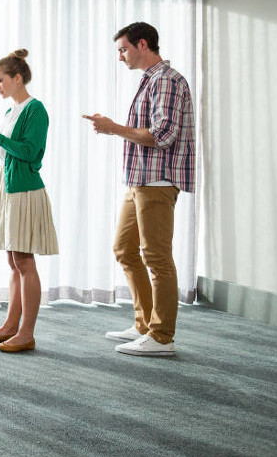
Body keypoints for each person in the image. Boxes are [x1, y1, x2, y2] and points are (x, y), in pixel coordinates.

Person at [83, 22, 195, 357]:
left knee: (157, 257)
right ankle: (144, 323)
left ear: (142, 44)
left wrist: (113, 128)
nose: (120, 57)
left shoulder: (168, 81)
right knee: (124, 249)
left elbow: (162, 135)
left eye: (123, 49)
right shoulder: (151, 81)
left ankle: (162, 336)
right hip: (139, 180)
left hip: (158, 181)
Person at [0, 49, 59, 353]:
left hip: (24, 191)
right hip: (7, 189)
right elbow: (5, 155)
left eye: (0, 80)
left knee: (24, 261)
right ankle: (9, 326)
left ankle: (26, 333)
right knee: (13, 261)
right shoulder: (10, 112)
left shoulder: (36, 110)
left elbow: (31, 153)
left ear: (17, 78)